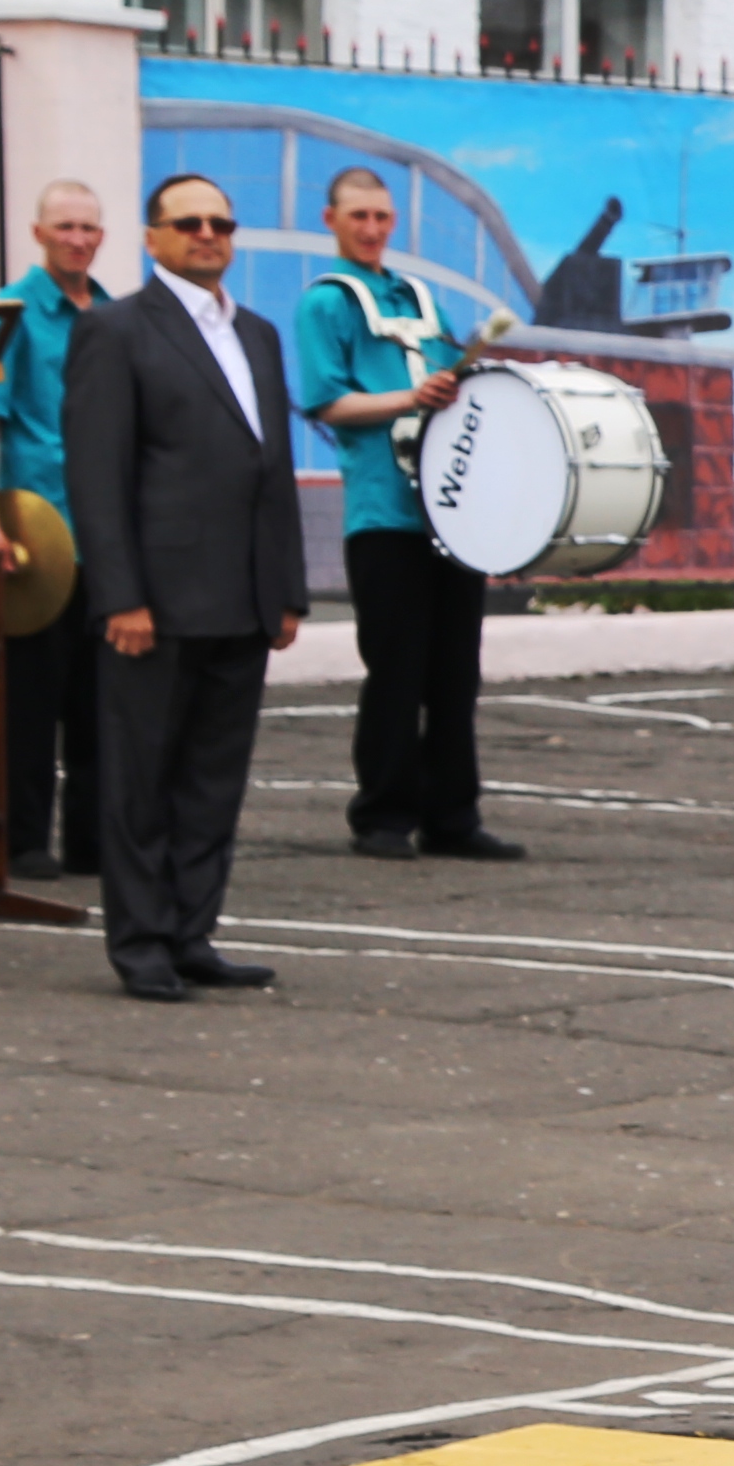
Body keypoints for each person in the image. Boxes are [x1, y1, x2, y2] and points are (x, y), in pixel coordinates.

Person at [65, 172, 304, 1004]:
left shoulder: (261, 336)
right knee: (141, 780)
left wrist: (286, 592)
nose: (208, 234)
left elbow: (272, 471)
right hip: (154, 604)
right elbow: (97, 477)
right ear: (153, 237)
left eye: (221, 223)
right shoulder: (116, 330)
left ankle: (192, 932)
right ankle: (139, 946)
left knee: (213, 780)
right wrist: (118, 596)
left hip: (240, 600)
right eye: (188, 222)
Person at [288, 165, 521, 863]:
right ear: (330, 220)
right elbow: (328, 402)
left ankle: (453, 816)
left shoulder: (420, 297)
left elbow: (449, 388)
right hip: (382, 512)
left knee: (456, 671)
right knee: (395, 669)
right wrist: (410, 399)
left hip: (451, 516)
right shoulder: (324, 305)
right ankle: (383, 815)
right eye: (358, 216)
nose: (371, 229)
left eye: (381, 218)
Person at [0, 181, 109, 879]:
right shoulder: (10, 311)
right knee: (29, 702)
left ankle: (91, 840)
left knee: (99, 703)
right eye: (64, 226)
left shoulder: (117, 314)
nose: (77, 239)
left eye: (88, 228)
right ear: (38, 233)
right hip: (37, 533)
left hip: (103, 535)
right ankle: (24, 839)